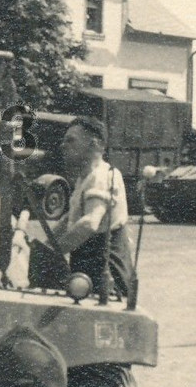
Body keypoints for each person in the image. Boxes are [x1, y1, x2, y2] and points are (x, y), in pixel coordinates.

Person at [47, 116, 135, 297]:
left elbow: (89, 223)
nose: (63, 145)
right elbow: (70, 218)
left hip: (105, 274)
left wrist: (52, 254)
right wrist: (47, 244)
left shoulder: (101, 176)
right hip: (88, 268)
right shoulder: (85, 178)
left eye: (71, 140)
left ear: (94, 144)